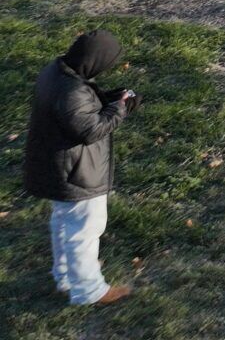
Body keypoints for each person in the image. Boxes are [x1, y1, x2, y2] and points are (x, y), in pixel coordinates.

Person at [23, 30, 136, 307]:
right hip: (77, 173)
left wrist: (109, 99)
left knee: (64, 222)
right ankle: (88, 290)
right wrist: (119, 109)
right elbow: (91, 129)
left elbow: (77, 112)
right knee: (85, 229)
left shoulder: (57, 72)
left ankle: (65, 275)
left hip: (58, 168)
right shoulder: (72, 91)